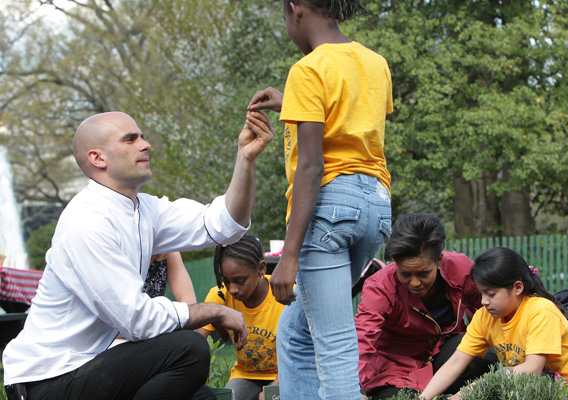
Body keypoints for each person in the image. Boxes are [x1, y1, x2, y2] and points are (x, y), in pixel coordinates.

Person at [2, 110, 274, 400]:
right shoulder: (87, 221)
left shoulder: (143, 209)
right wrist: (214, 310)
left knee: (200, 397)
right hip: (48, 381)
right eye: (130, 139)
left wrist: (245, 158)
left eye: (142, 137)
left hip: (90, 366)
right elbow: (138, 320)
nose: (145, 145)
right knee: (188, 350)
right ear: (98, 158)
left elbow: (223, 226)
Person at [247, 1, 393, 398]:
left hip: (329, 210)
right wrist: (290, 102)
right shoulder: (375, 62)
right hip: (376, 205)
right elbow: (351, 117)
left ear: (296, 9)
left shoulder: (308, 69)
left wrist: (289, 255)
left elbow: (312, 166)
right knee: (295, 333)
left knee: (334, 345)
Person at [421, 247, 568, 400]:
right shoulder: (485, 317)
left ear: (517, 288)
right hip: (542, 386)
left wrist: (469, 391)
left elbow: (532, 370)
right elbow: (455, 363)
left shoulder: (541, 311)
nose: (483, 301)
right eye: (481, 293)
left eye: (491, 294)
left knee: (510, 382)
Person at [355, 214, 497, 400]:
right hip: (396, 369)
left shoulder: (461, 270)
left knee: (484, 355)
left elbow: (489, 312)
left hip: (447, 356)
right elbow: (363, 340)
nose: (415, 283)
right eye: (405, 274)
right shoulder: (379, 288)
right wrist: (356, 388)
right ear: (396, 263)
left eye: (423, 273)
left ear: (438, 260)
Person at [198, 234, 284, 400]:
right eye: (227, 281)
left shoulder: (283, 294)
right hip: (245, 375)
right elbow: (196, 340)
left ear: (261, 269)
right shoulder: (220, 296)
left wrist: (274, 388)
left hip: (286, 373)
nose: (233, 289)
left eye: (240, 281)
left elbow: (303, 350)